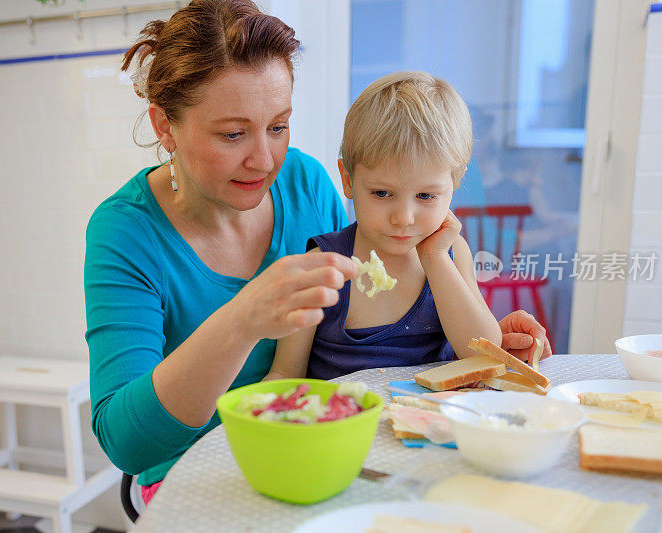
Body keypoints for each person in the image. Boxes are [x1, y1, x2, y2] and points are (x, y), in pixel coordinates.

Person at [84, 0, 552, 505]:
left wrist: (472, 336)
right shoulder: (127, 232)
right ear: (165, 126)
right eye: (233, 134)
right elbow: (126, 444)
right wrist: (242, 320)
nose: (264, 160)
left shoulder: (303, 182)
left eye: (279, 126)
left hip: (328, 449)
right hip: (195, 476)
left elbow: (372, 298)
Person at [266, 72, 502, 381]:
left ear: (454, 182)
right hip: (346, 425)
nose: (403, 217)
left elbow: (483, 355)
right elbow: (285, 372)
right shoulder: (324, 264)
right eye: (382, 193)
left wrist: (435, 260)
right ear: (348, 180)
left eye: (426, 195)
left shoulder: (452, 253)